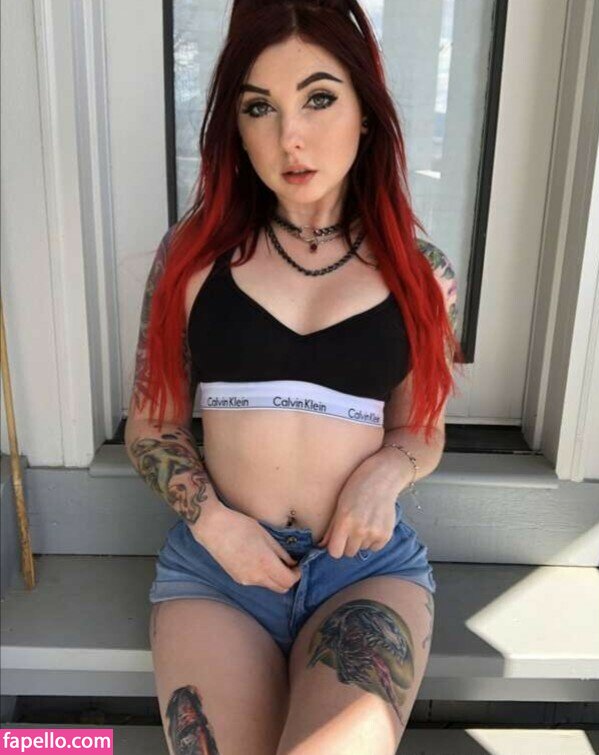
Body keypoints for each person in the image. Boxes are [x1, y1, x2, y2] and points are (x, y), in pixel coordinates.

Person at [125, 1, 461, 753]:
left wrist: (384, 475)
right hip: (218, 571)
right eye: (260, 108)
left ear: (366, 113)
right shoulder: (191, 258)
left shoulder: (422, 273)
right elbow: (152, 423)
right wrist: (214, 523)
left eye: (318, 98)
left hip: (363, 571)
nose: (290, 137)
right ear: (236, 129)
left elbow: (421, 426)